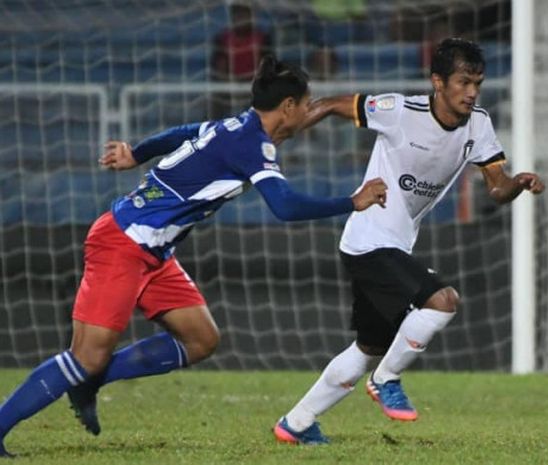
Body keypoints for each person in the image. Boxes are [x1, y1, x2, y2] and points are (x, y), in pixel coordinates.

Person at [0, 56, 388, 457]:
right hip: (122, 243)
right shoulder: (251, 145)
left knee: (200, 339)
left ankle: (91, 381)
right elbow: (285, 206)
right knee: (86, 356)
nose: (308, 113)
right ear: (288, 106)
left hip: (154, 251)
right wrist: (351, 201)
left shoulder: (234, 126)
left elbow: (183, 133)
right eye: (305, 105)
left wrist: (136, 152)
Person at [272, 38, 545, 445]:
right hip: (368, 237)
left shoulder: (479, 124)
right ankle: (387, 380)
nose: (471, 92)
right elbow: (331, 104)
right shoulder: (400, 111)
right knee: (443, 301)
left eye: (478, 83)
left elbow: (496, 189)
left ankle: (295, 423)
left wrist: (518, 183)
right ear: (438, 82)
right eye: (463, 82)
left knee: (368, 346)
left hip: (395, 244)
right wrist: (276, 137)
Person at [210, 2, 271, 119]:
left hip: (255, 84)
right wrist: (230, 82)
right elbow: (219, 67)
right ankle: (211, 131)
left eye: (244, 15)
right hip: (229, 85)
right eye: (238, 15)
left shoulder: (263, 38)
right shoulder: (222, 38)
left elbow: (267, 66)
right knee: (214, 100)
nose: (241, 19)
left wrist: (255, 81)